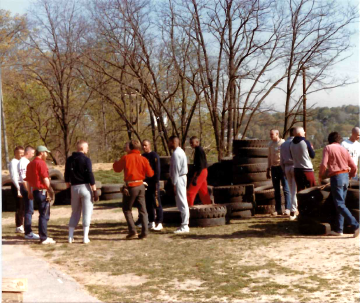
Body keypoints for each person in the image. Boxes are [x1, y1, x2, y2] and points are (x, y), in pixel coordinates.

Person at [319, 132, 359, 237]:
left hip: (336, 177)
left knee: (339, 204)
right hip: (345, 176)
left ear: (329, 139)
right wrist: (351, 175)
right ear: (338, 140)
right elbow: (354, 166)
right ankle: (339, 229)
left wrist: (320, 175)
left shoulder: (328, 148)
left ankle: (356, 225)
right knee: (341, 204)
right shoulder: (343, 149)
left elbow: (323, 164)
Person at [113, 139, 154, 240]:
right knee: (143, 210)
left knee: (127, 209)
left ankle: (132, 231)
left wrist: (115, 163)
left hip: (131, 186)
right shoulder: (143, 159)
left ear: (130, 147)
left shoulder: (126, 158)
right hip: (141, 185)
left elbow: (117, 169)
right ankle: (144, 232)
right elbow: (150, 174)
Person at [65, 140, 99, 244]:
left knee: (75, 212)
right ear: (82, 148)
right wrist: (94, 189)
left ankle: (70, 236)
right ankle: (85, 237)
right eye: (87, 147)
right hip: (85, 187)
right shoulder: (86, 159)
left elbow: (66, 174)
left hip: (74, 187)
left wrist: (68, 187)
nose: (87, 149)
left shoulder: (70, 159)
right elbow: (89, 174)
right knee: (86, 212)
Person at [25, 146, 56, 244]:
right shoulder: (41, 163)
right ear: (42, 153)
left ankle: (43, 236)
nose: (46, 155)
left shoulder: (30, 164)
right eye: (46, 153)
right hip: (42, 190)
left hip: (35, 191)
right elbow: (45, 178)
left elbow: (28, 180)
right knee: (44, 215)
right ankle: (44, 237)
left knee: (42, 214)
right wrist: (50, 190)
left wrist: (29, 192)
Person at [267, 129, 291, 216]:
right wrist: (268, 168)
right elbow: (269, 157)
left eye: (272, 134)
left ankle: (288, 208)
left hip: (282, 168)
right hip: (274, 168)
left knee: (286, 188)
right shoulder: (270, 144)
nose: (271, 136)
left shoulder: (283, 143)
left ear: (277, 134)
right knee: (276, 189)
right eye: (270, 134)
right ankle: (278, 209)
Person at [168, 136, 190, 234]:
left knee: (182, 201)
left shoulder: (176, 153)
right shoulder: (180, 151)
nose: (168, 144)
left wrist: (174, 183)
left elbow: (175, 169)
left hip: (179, 178)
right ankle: (184, 224)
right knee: (181, 200)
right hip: (181, 177)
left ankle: (185, 225)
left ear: (173, 142)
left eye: (169, 142)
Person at [142, 139, 164, 231]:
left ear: (149, 146)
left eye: (146, 145)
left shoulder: (154, 155)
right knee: (148, 203)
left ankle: (159, 222)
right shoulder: (142, 156)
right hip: (145, 182)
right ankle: (151, 221)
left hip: (153, 182)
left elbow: (157, 170)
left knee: (156, 202)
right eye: (143, 145)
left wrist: (156, 181)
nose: (144, 147)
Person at [18, 146, 39, 239]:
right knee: (29, 210)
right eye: (32, 153)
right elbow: (23, 178)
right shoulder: (24, 162)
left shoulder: (24, 162)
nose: (33, 155)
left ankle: (28, 231)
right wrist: (28, 190)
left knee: (29, 209)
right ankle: (28, 232)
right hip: (26, 186)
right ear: (28, 152)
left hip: (26, 186)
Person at [187, 136, 212, 206]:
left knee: (190, 193)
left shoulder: (199, 150)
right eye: (190, 143)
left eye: (192, 143)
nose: (191, 145)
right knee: (203, 192)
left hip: (200, 172)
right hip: (203, 171)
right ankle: (209, 206)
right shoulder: (199, 149)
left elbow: (201, 164)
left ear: (197, 142)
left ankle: (189, 208)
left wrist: (196, 176)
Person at [290, 126, 316, 192]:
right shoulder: (305, 142)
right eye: (303, 131)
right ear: (300, 133)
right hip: (307, 169)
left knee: (300, 191)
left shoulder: (291, 144)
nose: (304, 132)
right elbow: (312, 155)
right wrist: (312, 149)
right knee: (312, 190)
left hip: (297, 169)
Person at [280, 128, 298, 220]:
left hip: (287, 167)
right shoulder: (296, 143)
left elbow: (281, 159)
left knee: (291, 189)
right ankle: (293, 210)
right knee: (295, 189)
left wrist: (283, 169)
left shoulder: (283, 145)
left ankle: (292, 208)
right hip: (295, 166)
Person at [9, 146, 25, 233]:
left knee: (23, 206)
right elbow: (13, 176)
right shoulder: (13, 162)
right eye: (20, 153)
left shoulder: (21, 162)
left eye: (23, 152)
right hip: (17, 185)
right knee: (19, 206)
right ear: (15, 153)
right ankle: (19, 226)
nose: (22, 154)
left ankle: (22, 224)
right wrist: (18, 188)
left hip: (23, 184)